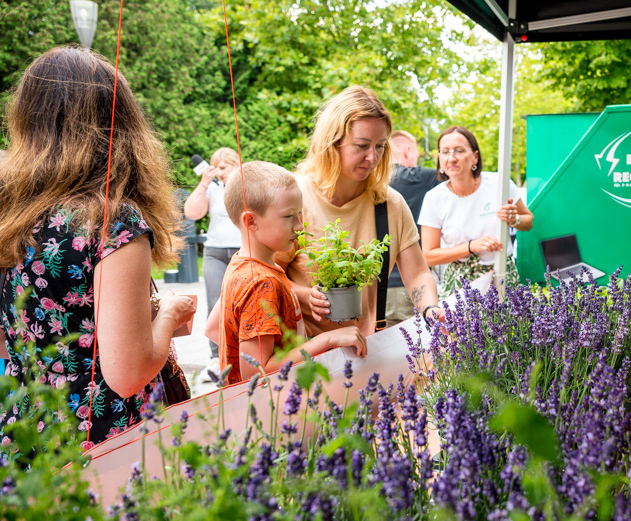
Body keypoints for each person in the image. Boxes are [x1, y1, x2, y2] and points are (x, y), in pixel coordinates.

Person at [0, 46, 195, 451]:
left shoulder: (11, 217)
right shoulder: (113, 222)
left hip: (28, 437)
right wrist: (170, 313)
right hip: (104, 444)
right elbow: (129, 373)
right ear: (120, 125)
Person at [280, 86, 443, 336]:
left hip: (368, 347)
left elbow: (418, 273)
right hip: (306, 350)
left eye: (380, 146)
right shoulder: (295, 199)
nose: (373, 157)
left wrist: (430, 309)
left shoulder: (390, 203)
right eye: (362, 145)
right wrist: (305, 295)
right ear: (332, 143)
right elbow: (267, 276)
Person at [210, 161, 366, 387]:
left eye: (300, 214)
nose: (300, 225)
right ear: (251, 221)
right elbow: (255, 373)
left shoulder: (241, 265)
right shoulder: (261, 282)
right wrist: (326, 339)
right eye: (288, 216)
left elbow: (213, 328)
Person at [419, 126, 534, 297]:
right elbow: (429, 256)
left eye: (459, 151)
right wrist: (471, 246)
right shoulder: (434, 198)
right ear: (439, 158)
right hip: (460, 284)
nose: (452, 158)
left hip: (502, 275)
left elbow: (528, 221)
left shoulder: (499, 183)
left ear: (475, 157)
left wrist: (514, 219)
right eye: (445, 152)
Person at [183, 147, 242, 358]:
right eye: (216, 168)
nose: (220, 172)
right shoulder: (213, 187)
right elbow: (192, 213)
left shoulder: (246, 184)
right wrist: (204, 183)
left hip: (241, 250)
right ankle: (217, 356)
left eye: (223, 168)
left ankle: (243, 351)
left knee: (242, 303)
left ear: (236, 164)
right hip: (215, 251)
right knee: (215, 303)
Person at [385, 129, 440, 326]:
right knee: (417, 343)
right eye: (416, 155)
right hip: (413, 285)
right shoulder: (421, 178)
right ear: (408, 151)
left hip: (375, 289)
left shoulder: (369, 181)